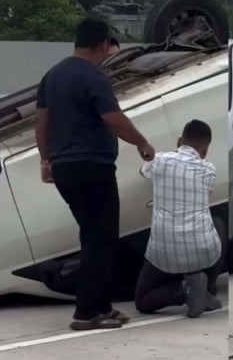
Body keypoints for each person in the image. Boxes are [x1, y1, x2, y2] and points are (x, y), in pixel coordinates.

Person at [35, 18, 155, 331]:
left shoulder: (52, 76)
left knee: (95, 236)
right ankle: (86, 313)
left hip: (64, 169)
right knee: (99, 240)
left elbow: (41, 122)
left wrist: (46, 161)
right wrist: (141, 142)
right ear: (104, 44)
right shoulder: (93, 76)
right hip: (93, 167)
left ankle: (102, 306)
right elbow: (113, 117)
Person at [134, 119, 224, 318]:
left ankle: (184, 290)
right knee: (217, 224)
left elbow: (143, 171)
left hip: (164, 253)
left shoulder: (158, 161)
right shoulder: (209, 170)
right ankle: (206, 288)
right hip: (202, 251)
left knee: (142, 300)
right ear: (205, 150)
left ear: (179, 141)